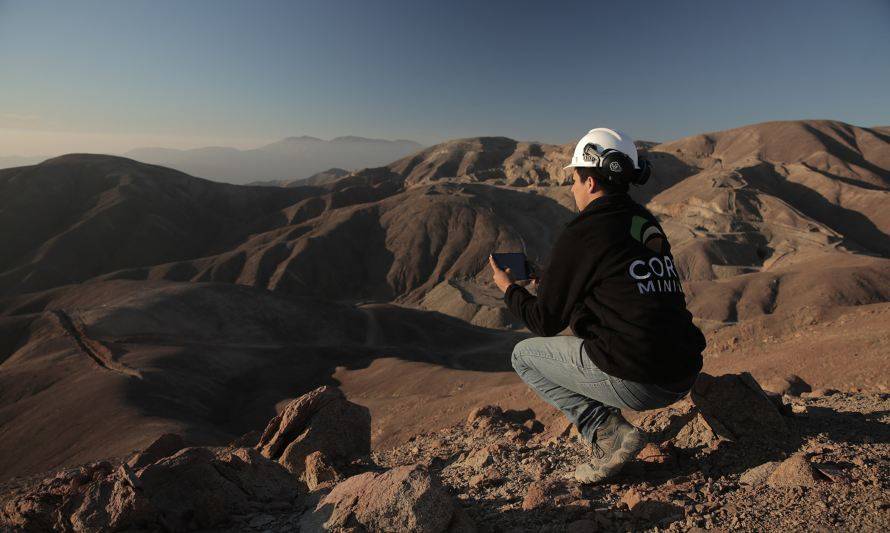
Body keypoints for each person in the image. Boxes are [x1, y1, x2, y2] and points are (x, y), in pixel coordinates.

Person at [488, 127, 706, 484]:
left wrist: (509, 289)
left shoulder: (584, 231)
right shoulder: (643, 221)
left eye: (574, 179)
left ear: (590, 182)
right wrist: (557, 285)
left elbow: (544, 323)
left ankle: (608, 433)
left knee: (524, 355)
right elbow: (621, 294)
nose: (572, 188)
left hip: (644, 380)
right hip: (684, 371)